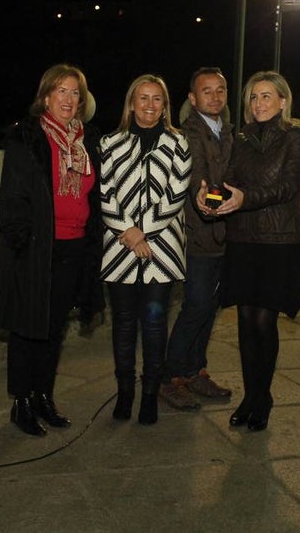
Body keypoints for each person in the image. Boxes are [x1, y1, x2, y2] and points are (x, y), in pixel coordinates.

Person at [0, 63, 102, 436]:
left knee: (54, 329)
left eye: (75, 93)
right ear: (45, 97)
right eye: (61, 91)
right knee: (27, 328)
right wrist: (22, 248)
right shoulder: (27, 138)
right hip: (38, 248)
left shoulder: (87, 141)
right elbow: (14, 199)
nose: (69, 99)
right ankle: (21, 402)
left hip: (74, 248)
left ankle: (43, 396)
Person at [206, 71, 300, 432]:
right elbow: (229, 182)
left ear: (283, 101)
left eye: (267, 96)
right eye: (253, 97)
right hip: (244, 239)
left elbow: (287, 186)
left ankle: (262, 398)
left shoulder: (295, 136)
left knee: (265, 320)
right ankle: (251, 396)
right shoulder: (243, 137)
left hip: (279, 240)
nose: (259, 103)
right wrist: (211, 201)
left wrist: (246, 198)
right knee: (246, 321)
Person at [99, 74, 191, 425]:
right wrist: (129, 232)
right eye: (143, 98)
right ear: (131, 103)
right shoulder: (109, 142)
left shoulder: (179, 143)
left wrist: (142, 232)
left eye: (157, 99)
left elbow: (175, 194)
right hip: (119, 247)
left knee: (154, 325)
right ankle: (125, 393)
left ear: (164, 106)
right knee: (122, 324)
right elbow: (105, 194)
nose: (150, 105)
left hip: (161, 249)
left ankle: (150, 394)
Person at [160, 67, 236, 411]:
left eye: (220, 90)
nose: (215, 96)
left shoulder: (229, 132)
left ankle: (195, 370)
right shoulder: (188, 134)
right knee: (196, 306)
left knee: (210, 307)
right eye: (207, 91)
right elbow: (199, 185)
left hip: (223, 235)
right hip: (198, 235)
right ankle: (170, 375)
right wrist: (219, 201)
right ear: (192, 98)